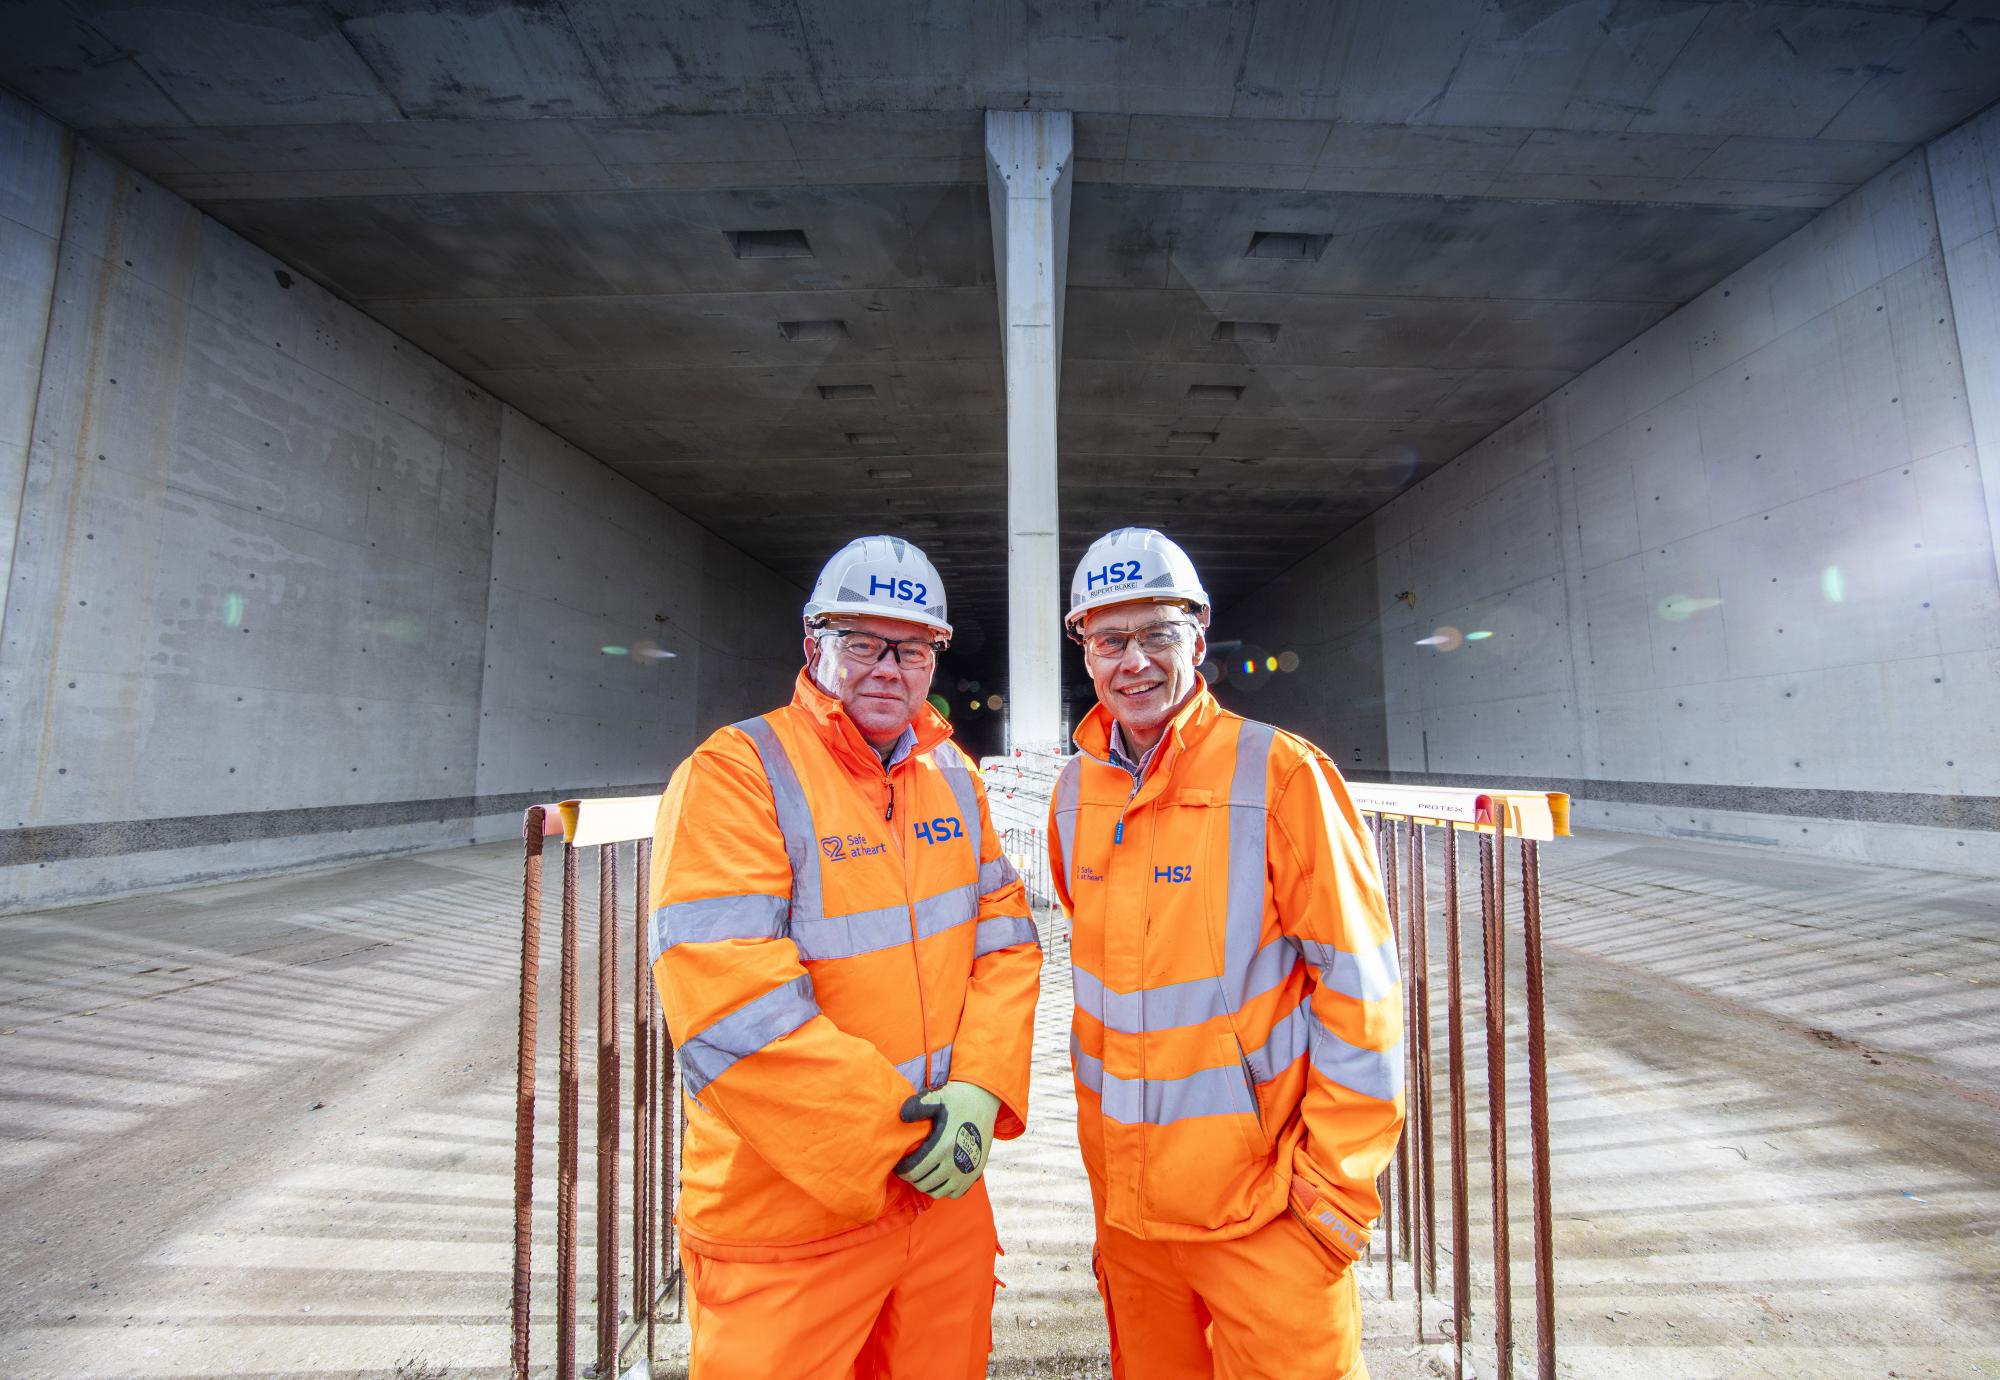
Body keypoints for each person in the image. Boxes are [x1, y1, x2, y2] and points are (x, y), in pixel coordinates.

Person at [649, 534, 1042, 1380]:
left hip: (943, 1201)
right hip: (788, 1222)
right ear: (812, 646)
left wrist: (982, 1085)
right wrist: (895, 1139)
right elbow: (731, 1005)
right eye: (860, 642)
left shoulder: (952, 776)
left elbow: (1005, 938)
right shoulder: (738, 773)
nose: (886, 668)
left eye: (912, 648)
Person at [1047, 527, 1405, 1380]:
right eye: (1109, 640)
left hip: (1268, 1217)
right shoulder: (1073, 795)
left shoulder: (1281, 776)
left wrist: (1333, 1195)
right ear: (1087, 655)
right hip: (1132, 1223)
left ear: (1198, 641)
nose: (1133, 662)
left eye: (1156, 634)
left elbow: (1362, 989)